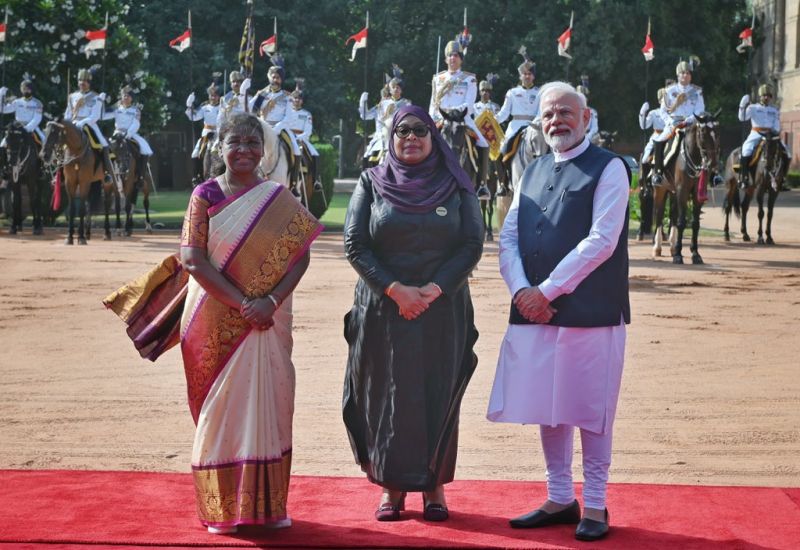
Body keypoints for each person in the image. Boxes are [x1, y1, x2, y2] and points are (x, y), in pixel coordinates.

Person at [104, 112, 322, 534]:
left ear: (264, 149)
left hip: (268, 321)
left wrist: (271, 301)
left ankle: (268, 507)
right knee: (219, 409)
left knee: (271, 407)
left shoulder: (277, 197)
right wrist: (245, 304)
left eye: (252, 143)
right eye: (235, 142)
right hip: (212, 315)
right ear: (220, 148)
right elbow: (192, 260)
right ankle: (221, 510)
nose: (244, 150)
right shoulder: (204, 195)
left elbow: (301, 254)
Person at [486, 82, 630, 542]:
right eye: (548, 114)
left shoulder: (609, 167)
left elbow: (602, 240)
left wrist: (545, 291)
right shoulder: (531, 170)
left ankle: (596, 504)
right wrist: (521, 290)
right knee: (549, 408)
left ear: (586, 117)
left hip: (592, 312)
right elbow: (509, 237)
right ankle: (560, 496)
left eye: (566, 112)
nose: (556, 121)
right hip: (535, 311)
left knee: (591, 409)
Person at [343, 104, 483, 523]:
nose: (411, 137)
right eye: (402, 130)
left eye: (420, 130)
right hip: (383, 309)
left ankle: (434, 486)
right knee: (388, 395)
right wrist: (396, 290)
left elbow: (471, 244)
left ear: (433, 137)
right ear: (391, 137)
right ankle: (392, 487)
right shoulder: (371, 181)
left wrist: (434, 289)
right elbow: (355, 244)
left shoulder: (457, 184)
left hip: (443, 308)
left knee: (439, 391)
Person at [651, 59, 705, 186]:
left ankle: (714, 174)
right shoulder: (669, 90)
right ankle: (658, 173)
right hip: (674, 123)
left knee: (708, 139)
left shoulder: (697, 91)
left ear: (690, 76)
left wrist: (690, 119)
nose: (685, 75)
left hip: (692, 123)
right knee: (659, 141)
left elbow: (700, 109)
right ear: (678, 75)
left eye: (688, 73)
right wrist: (670, 121)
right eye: (683, 73)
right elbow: (663, 110)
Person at [429, 39, 489, 148]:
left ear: (461, 59)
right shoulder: (438, 79)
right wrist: (433, 118)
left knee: (483, 144)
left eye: (456, 55)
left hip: (462, 119)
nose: (453, 58)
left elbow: (469, 105)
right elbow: (433, 104)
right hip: (441, 119)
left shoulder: (469, 79)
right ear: (446, 59)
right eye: (450, 55)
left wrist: (453, 113)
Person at [65, 68, 113, 184]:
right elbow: (68, 114)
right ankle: (59, 173)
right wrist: (67, 124)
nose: (82, 83)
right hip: (73, 124)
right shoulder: (72, 96)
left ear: (89, 83)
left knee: (103, 144)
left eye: (85, 81)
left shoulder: (95, 97)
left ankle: (107, 172)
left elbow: (95, 116)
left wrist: (82, 122)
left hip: (89, 124)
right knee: (59, 142)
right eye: (80, 80)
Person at [737, 83, 790, 188]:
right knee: (746, 151)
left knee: (787, 152)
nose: (766, 97)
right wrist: (742, 106)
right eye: (764, 95)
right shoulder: (753, 108)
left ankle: (782, 179)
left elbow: (776, 123)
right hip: (756, 133)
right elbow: (742, 118)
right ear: (760, 96)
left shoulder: (774, 110)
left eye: (769, 96)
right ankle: (744, 177)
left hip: (771, 135)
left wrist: (775, 131)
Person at [249, 53, 301, 158]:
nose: (275, 80)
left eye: (278, 77)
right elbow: (250, 109)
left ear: (281, 79)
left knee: (296, 149)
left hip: (280, 129)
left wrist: (276, 129)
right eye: (273, 77)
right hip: (263, 127)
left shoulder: (287, 97)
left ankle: (295, 168)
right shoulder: (262, 94)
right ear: (270, 78)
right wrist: (253, 94)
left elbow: (288, 117)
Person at [101, 85, 154, 183]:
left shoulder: (135, 110)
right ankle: (107, 172)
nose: (126, 97)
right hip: (117, 133)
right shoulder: (116, 108)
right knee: (106, 148)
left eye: (128, 96)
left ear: (132, 98)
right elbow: (103, 116)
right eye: (124, 95)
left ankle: (141, 176)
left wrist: (127, 134)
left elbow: (136, 123)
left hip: (130, 134)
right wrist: (101, 103)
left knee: (144, 149)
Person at [496, 46, 540, 157]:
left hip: (533, 127)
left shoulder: (540, 92)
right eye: (525, 74)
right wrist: (493, 119)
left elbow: (541, 113)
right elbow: (504, 113)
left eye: (530, 74)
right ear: (520, 76)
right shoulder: (512, 92)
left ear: (533, 76)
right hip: (515, 127)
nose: (527, 76)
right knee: (502, 150)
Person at [288, 79, 323, 191]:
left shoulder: (306, 114)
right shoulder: (286, 112)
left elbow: (308, 131)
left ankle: (315, 181)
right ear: (291, 99)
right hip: (287, 136)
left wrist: (298, 137)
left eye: (299, 98)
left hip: (301, 138)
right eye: (295, 98)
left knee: (315, 154)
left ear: (302, 101)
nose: (297, 100)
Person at [186, 80, 222, 185]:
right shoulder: (205, 107)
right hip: (206, 135)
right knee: (195, 153)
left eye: (215, 95)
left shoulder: (222, 107)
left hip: (219, 134)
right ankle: (196, 176)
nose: (213, 98)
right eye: (211, 95)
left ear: (219, 97)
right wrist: (189, 105)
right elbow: (194, 117)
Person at [0, 79, 45, 145]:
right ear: (21, 90)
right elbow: (3, 110)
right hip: (17, 126)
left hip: (32, 127)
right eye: (24, 89)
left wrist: (27, 128)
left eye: (28, 89)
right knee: (2, 145)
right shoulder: (17, 102)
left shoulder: (37, 103)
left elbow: (37, 118)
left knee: (44, 140)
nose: (25, 91)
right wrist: (1, 94)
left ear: (31, 90)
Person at [639, 87, 668, 186]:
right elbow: (644, 126)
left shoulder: (674, 112)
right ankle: (645, 184)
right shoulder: (654, 113)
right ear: (660, 101)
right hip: (657, 136)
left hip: (670, 135)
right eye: (664, 99)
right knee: (645, 158)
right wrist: (642, 113)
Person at [359, 84, 391, 167]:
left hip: (392, 138)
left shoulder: (397, 107)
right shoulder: (378, 109)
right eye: (383, 96)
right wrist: (363, 101)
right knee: (367, 157)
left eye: (388, 96)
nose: (385, 99)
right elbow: (365, 115)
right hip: (379, 138)